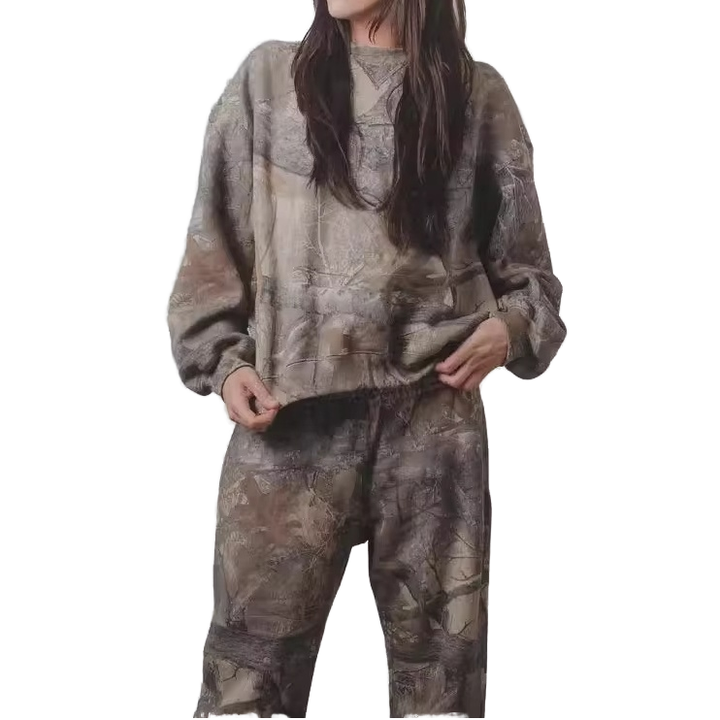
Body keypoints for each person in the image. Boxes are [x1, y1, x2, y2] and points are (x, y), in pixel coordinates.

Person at [166, 0, 566, 716]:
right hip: (288, 426)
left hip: (433, 430)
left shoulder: (475, 96)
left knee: (440, 692)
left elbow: (530, 277)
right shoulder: (269, 81)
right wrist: (225, 364)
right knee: (244, 690)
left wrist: (511, 329)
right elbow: (212, 249)